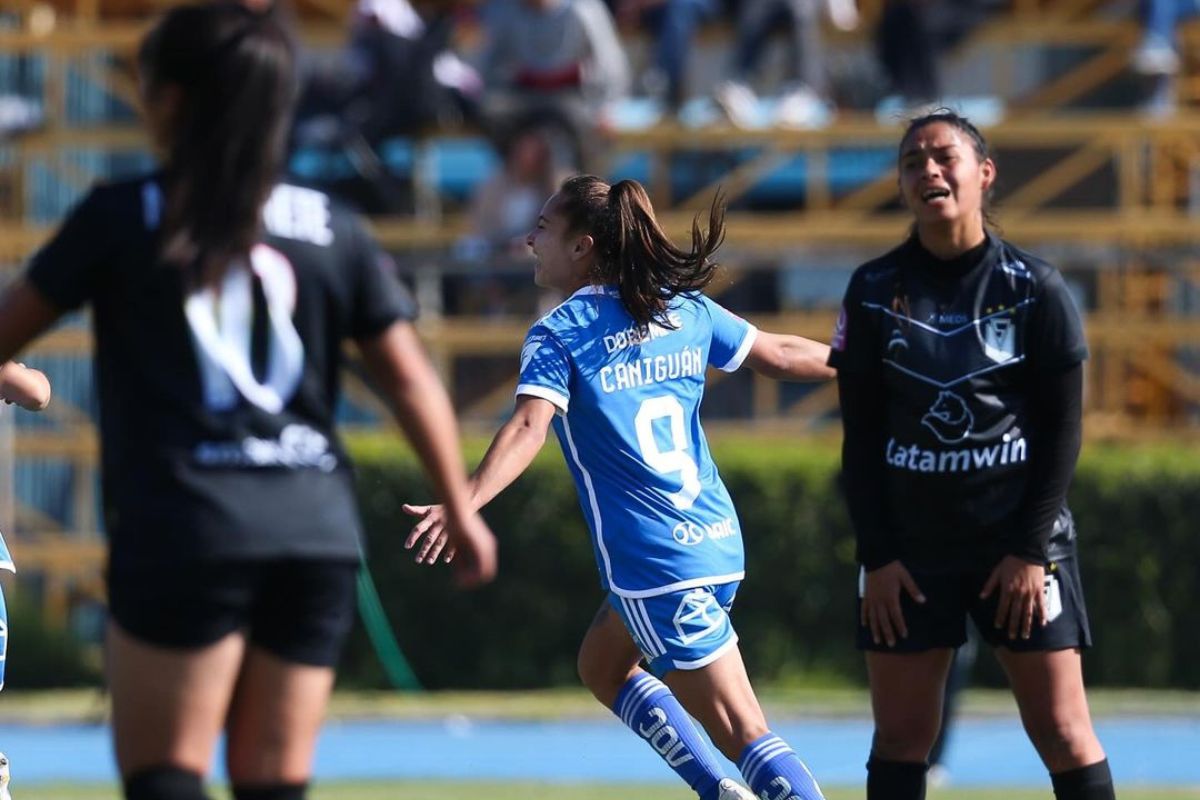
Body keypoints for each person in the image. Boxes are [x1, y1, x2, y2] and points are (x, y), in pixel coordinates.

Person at [0, 4, 497, 799]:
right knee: (273, 786)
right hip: (311, 534)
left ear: (169, 100)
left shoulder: (123, 216)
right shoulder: (333, 227)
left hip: (186, 522)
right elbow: (407, 376)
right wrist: (460, 507)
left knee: (168, 777)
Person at [404, 174, 835, 800]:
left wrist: (462, 503)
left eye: (544, 227)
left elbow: (528, 426)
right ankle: (721, 793)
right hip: (715, 542)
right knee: (603, 666)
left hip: (656, 564)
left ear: (582, 246)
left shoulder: (562, 332)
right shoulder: (680, 308)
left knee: (746, 731)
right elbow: (780, 352)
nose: (530, 238)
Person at [829, 109, 1115, 800]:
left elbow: (1062, 433)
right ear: (901, 186)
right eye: (911, 161)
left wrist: (1028, 551)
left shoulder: (1034, 288)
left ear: (984, 174)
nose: (928, 168)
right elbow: (860, 439)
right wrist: (879, 557)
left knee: (1064, 732)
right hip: (910, 553)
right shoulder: (872, 290)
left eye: (944, 156)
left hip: (1017, 546)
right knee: (900, 740)